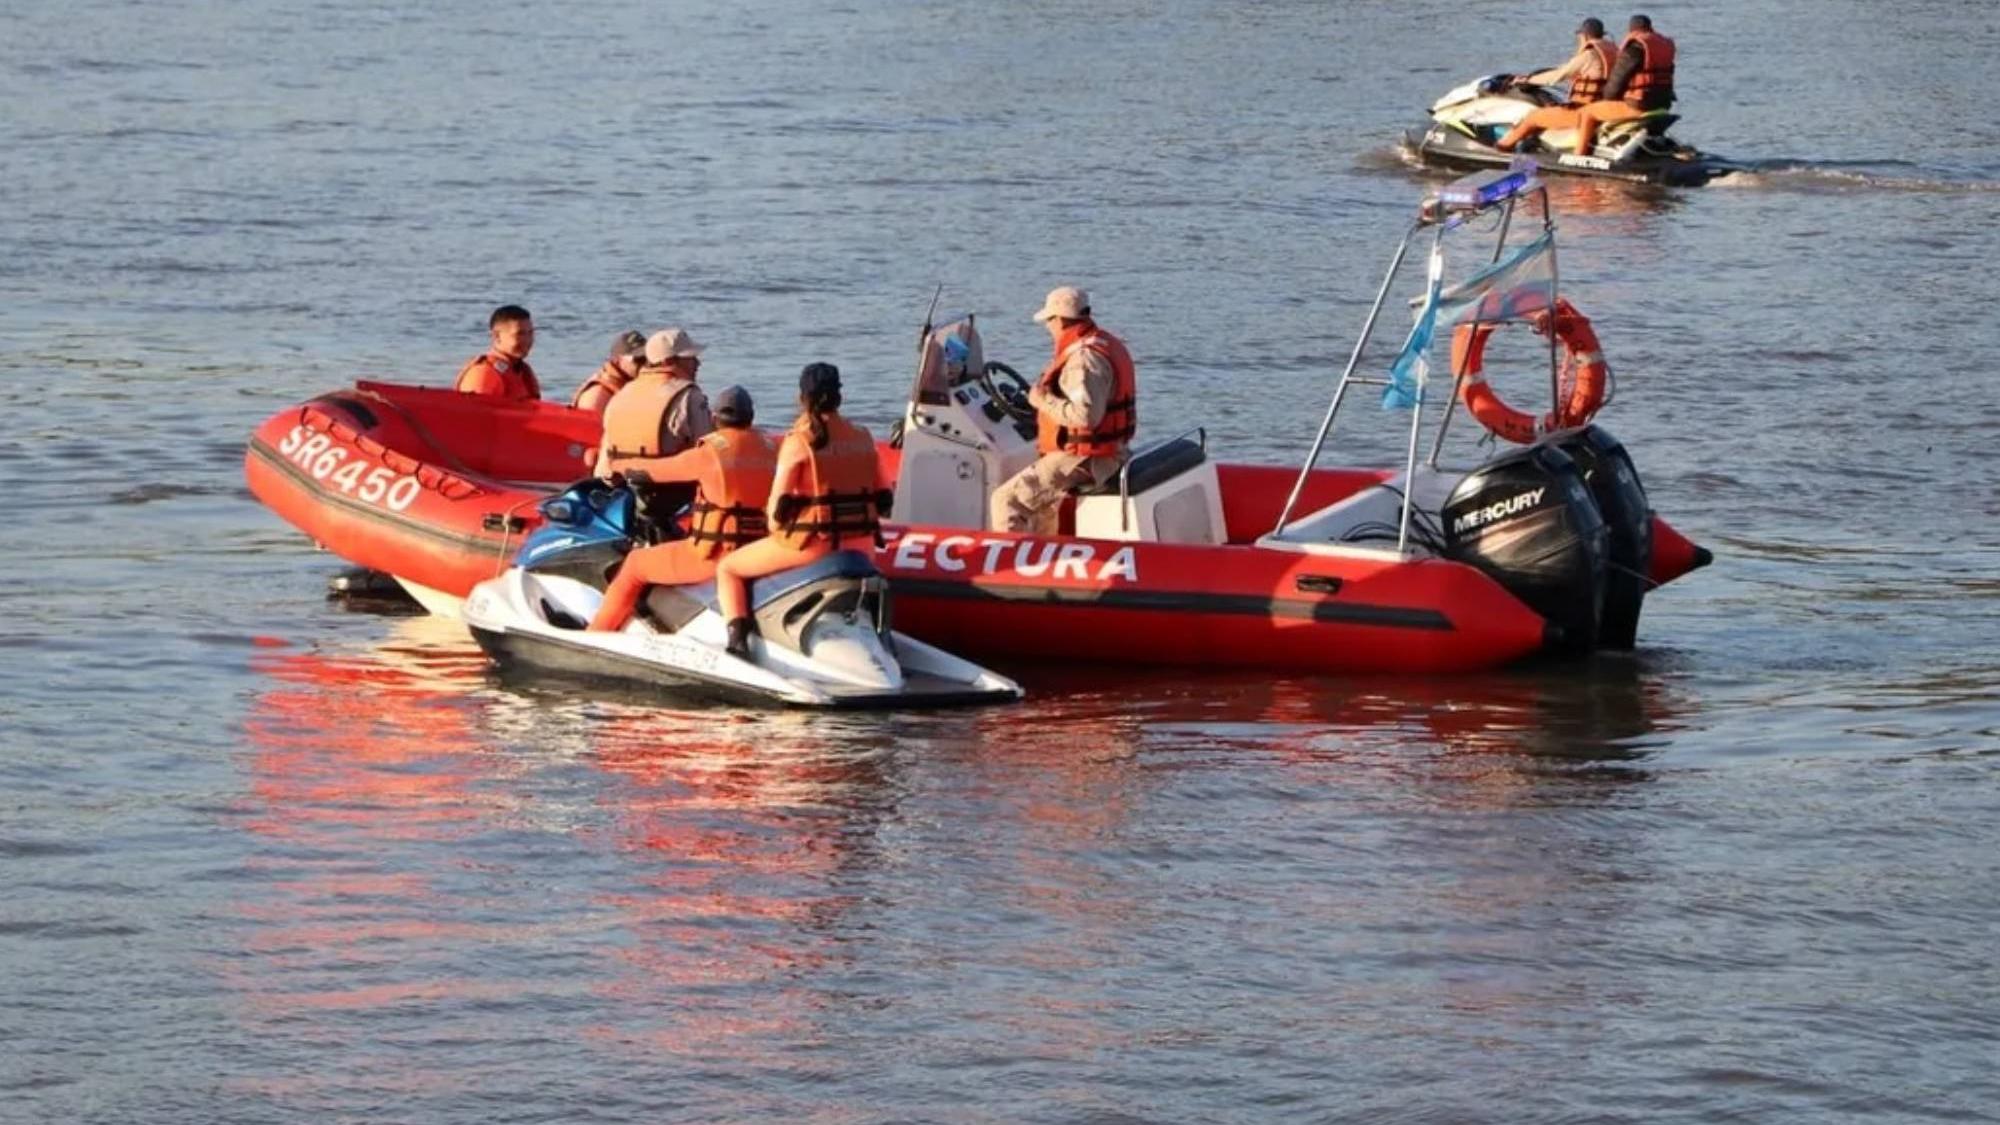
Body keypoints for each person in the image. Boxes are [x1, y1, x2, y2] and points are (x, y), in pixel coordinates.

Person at [713, 363, 886, 658]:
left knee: (728, 568)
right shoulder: (862, 435)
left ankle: (738, 641)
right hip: (863, 547)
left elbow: (776, 512)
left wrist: (774, 531)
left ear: (801, 397)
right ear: (839, 396)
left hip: (815, 545)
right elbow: (884, 497)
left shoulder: (799, 440)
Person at [587, 386, 776, 632]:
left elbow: (654, 471)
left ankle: (596, 633)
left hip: (714, 555)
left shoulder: (709, 454)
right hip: (759, 550)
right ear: (750, 417)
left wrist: (618, 465)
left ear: (714, 418)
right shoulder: (772, 448)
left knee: (635, 564)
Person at [988, 286, 1137, 535]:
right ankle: (1046, 557)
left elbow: (1086, 416)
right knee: (1041, 500)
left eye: (1048, 321)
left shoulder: (1083, 360)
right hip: (1104, 452)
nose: (1048, 327)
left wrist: (1041, 401)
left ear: (1058, 319)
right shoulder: (1102, 342)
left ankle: (1011, 567)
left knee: (1005, 500)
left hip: (1087, 460)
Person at [595, 327, 716, 478]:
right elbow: (710, 456)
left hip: (622, 486)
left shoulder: (621, 394)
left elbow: (603, 467)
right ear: (668, 361)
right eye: (690, 358)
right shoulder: (689, 396)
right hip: (670, 490)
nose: (698, 364)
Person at [1494, 19, 1618, 152]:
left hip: (1582, 111)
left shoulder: (1589, 55)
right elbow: (1567, 69)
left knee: (1533, 117)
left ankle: (1502, 149)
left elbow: (1557, 76)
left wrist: (1528, 80)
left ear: (1584, 36)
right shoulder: (1613, 51)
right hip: (1603, 108)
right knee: (1551, 110)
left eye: (1580, 36)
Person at [1573, 14, 1677, 155]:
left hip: (1639, 104)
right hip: (1663, 104)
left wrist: (1607, 97)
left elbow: (1617, 81)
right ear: (1650, 28)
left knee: (1588, 112)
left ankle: (1578, 155)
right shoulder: (1662, 46)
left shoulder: (1634, 48)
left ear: (1631, 30)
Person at [454, 305, 541, 400]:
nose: (527, 340)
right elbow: (473, 412)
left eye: (530, 333)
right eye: (519, 334)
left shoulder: (521, 371)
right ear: (497, 336)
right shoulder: (484, 373)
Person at [570, 330, 647, 414]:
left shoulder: (634, 384)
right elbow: (587, 425)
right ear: (618, 360)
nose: (644, 364)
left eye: (647, 359)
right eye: (639, 360)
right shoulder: (597, 396)